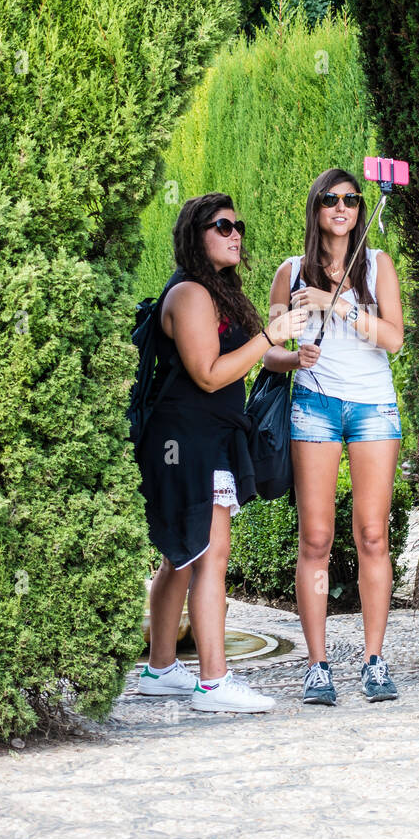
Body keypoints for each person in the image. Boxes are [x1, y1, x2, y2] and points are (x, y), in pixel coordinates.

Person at [134, 193, 306, 713]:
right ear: (196, 235)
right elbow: (209, 373)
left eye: (239, 226)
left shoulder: (217, 292)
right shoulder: (188, 294)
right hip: (184, 442)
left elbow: (247, 355)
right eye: (222, 226)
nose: (235, 234)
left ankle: (161, 668)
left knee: (182, 556)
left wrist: (292, 355)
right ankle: (213, 682)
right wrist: (267, 337)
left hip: (207, 436)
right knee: (210, 554)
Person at [263, 168, 405, 704]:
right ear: (316, 208)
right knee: (316, 540)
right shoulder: (291, 273)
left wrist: (338, 304)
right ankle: (318, 665)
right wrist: (293, 355)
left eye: (350, 199)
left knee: (373, 535)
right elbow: (269, 346)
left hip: (373, 407)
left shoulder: (377, 265)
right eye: (330, 199)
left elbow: (393, 338)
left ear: (360, 209)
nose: (341, 207)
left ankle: (374, 660)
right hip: (315, 407)